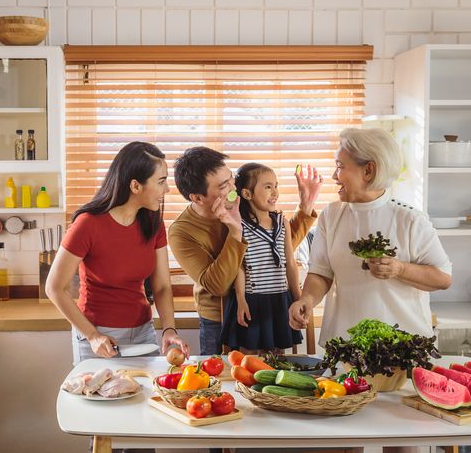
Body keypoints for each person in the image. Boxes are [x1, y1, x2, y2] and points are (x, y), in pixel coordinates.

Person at [289, 128, 452, 346]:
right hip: (344, 343)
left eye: (340, 167)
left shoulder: (410, 220)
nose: (334, 176)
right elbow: (321, 272)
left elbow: (443, 278)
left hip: (401, 346)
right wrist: (307, 299)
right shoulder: (332, 215)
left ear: (369, 171)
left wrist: (399, 269)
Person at [46, 141, 189, 364]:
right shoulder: (87, 225)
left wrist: (169, 329)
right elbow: (54, 288)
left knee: (145, 397)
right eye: (161, 181)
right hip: (98, 336)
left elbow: (161, 286)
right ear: (135, 186)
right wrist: (92, 335)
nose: (167, 189)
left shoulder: (153, 224)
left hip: (143, 333)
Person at [169, 146, 322, 355]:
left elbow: (271, 253)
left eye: (231, 179)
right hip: (220, 319)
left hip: (263, 310)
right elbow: (219, 285)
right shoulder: (182, 232)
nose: (234, 188)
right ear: (197, 197)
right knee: (223, 379)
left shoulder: (240, 205)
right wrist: (234, 232)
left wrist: (306, 206)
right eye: (224, 186)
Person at [219, 163, 303, 353]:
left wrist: (298, 299)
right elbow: (239, 267)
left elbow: (290, 263)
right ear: (247, 194)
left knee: (277, 356)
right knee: (250, 355)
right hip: (252, 299)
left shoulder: (283, 222)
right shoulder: (239, 226)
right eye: (267, 187)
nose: (275, 192)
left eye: (276, 186)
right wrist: (241, 299)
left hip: (280, 299)